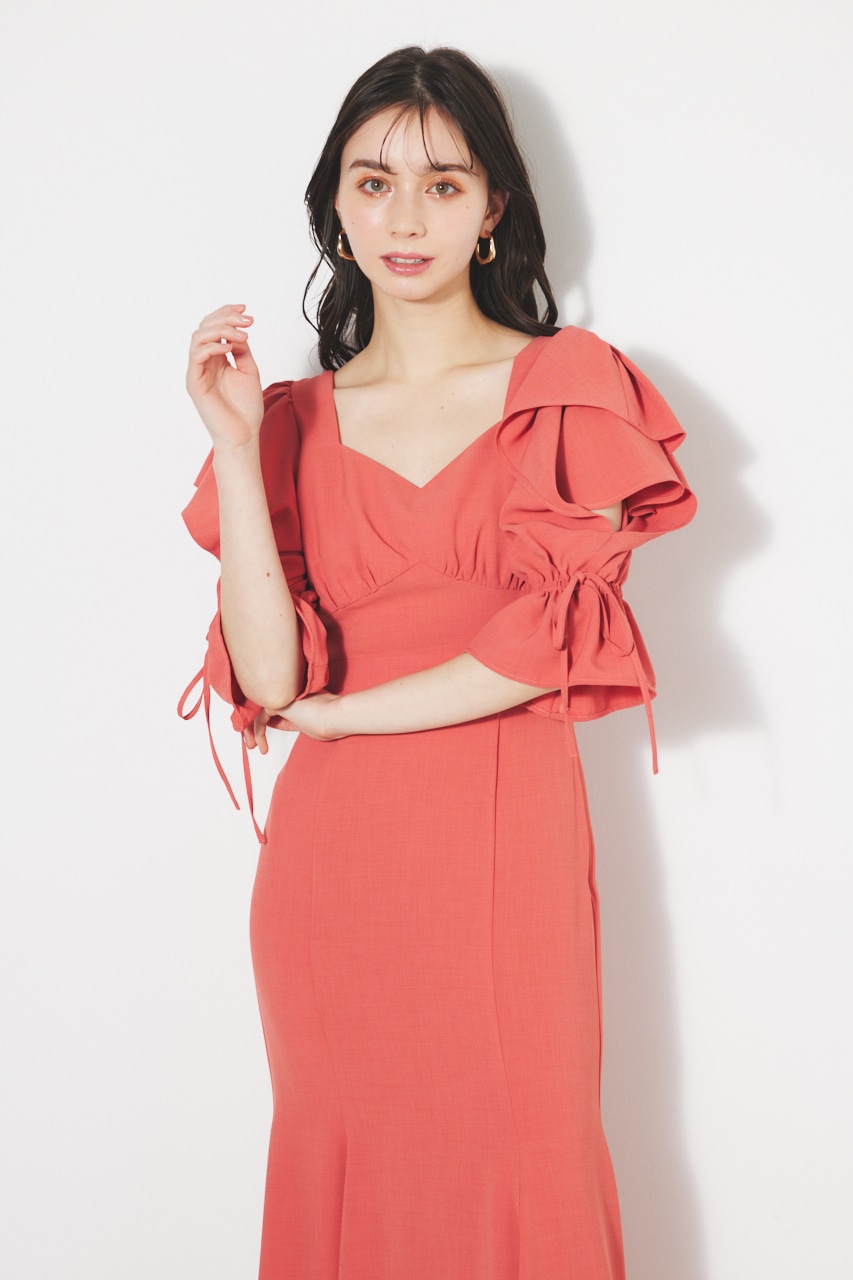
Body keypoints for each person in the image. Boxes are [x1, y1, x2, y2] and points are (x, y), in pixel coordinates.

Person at [179, 44, 696, 1280]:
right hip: (331, 874)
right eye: (373, 182)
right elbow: (267, 676)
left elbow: (544, 644)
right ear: (335, 207)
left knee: (530, 1149)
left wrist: (346, 719)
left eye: (442, 183)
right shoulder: (288, 419)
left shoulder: (563, 386)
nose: (405, 217)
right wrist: (237, 449)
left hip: (503, 843)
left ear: (492, 206)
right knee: (344, 1155)